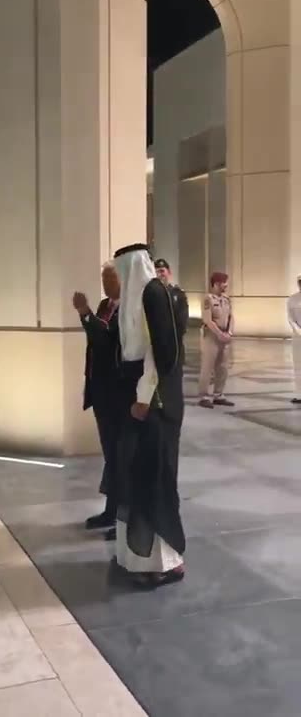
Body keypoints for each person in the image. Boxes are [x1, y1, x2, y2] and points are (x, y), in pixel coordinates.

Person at [114, 243, 186, 588]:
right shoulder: (138, 295)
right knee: (138, 478)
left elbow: (161, 354)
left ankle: (159, 562)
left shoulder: (153, 295)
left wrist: (144, 397)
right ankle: (138, 556)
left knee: (154, 479)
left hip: (155, 402)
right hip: (141, 400)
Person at [73, 263, 122, 538]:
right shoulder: (106, 305)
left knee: (121, 456)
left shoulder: (127, 308)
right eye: (103, 277)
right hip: (101, 391)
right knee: (110, 455)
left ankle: (123, 518)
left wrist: (85, 314)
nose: (105, 283)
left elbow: (106, 339)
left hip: (118, 394)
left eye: (110, 277)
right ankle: (111, 510)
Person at [198, 272, 234, 408]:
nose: (225, 285)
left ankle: (219, 395)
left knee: (223, 367)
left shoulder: (226, 299)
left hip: (224, 335)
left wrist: (229, 332)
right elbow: (208, 320)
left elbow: (231, 317)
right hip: (211, 336)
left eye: (226, 282)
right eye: (223, 283)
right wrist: (219, 333)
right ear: (216, 284)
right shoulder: (208, 299)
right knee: (208, 367)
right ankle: (203, 396)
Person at [154, 257, 189, 341]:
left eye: (162, 271)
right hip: (157, 339)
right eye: (156, 272)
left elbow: (183, 318)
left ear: (169, 272)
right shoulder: (152, 295)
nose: (159, 274)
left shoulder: (177, 293)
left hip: (174, 339)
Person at [287, 274, 301, 405]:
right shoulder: (292, 299)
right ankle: (299, 394)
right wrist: (298, 331)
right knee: (298, 366)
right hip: (298, 337)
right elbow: (290, 318)